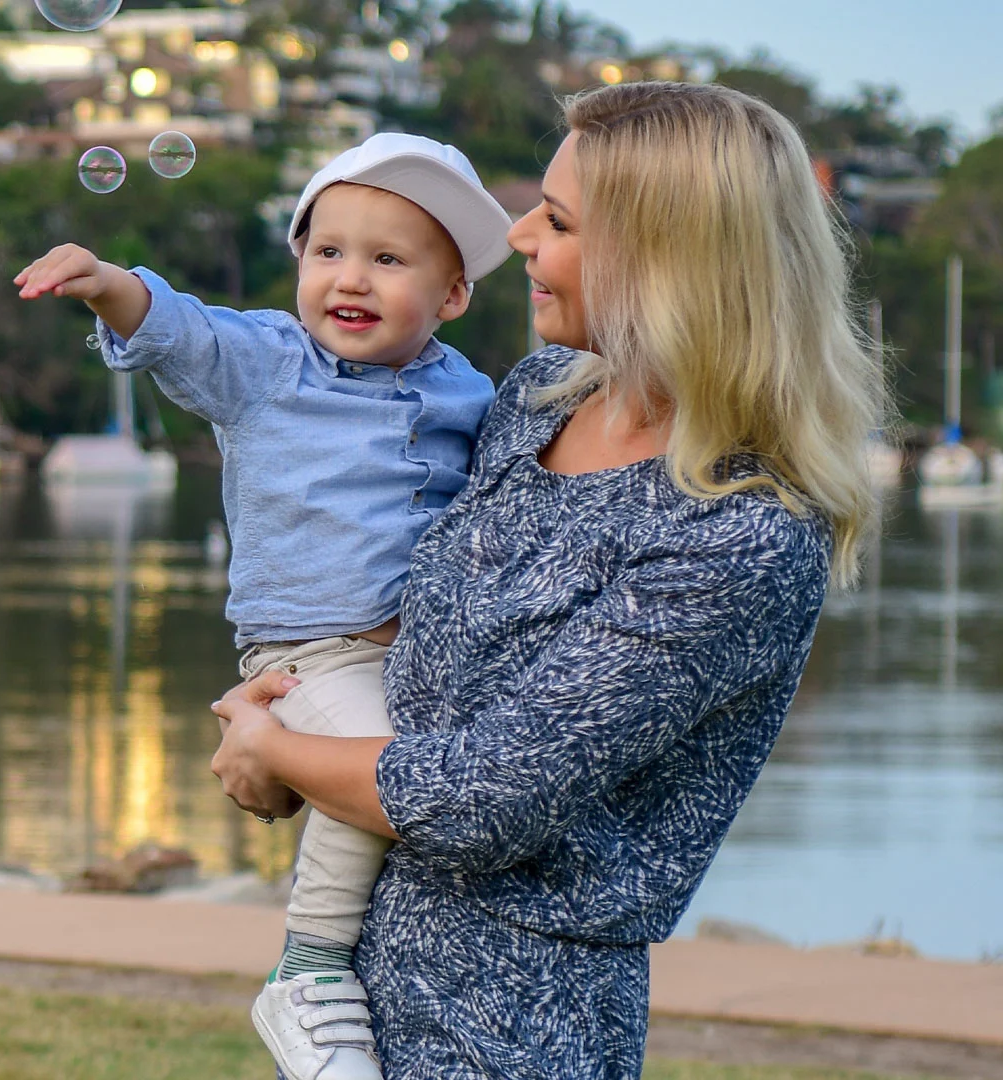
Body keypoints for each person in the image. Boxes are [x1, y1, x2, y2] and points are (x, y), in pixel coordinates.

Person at [210, 80, 888, 1080]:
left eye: (558, 221)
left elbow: (487, 799)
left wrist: (276, 747)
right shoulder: (536, 401)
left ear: (668, 259)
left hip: (518, 1027)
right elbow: (402, 643)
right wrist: (287, 727)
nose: (518, 235)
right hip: (352, 994)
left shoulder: (740, 533)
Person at [14, 132, 513, 1080]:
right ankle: (310, 968)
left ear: (452, 296)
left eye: (388, 259)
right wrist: (107, 281)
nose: (349, 278)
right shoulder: (270, 362)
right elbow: (181, 328)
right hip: (309, 651)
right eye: (328, 251)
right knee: (381, 767)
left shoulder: (472, 391)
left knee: (422, 768)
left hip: (421, 657)